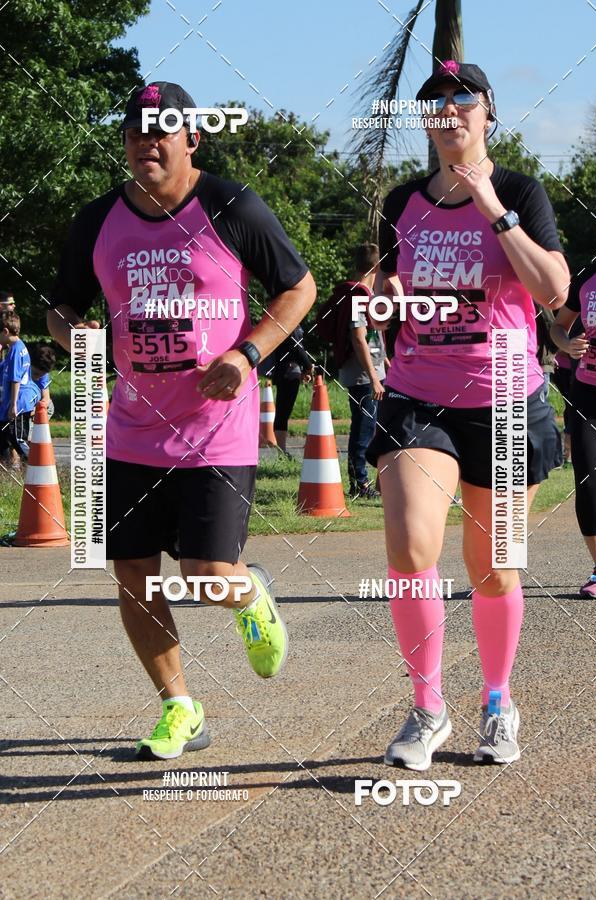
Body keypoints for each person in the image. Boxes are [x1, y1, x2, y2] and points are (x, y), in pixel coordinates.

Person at [47, 81, 316, 760]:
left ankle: (249, 594)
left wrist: (248, 352)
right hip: (131, 429)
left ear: (192, 139)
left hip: (215, 428)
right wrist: (75, 335)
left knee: (203, 573)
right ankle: (180, 709)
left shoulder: (232, 206)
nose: (147, 141)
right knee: (133, 574)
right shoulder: (97, 221)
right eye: (136, 130)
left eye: (161, 129)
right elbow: (62, 306)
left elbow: (299, 286)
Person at [367, 61, 569, 769]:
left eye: (463, 97)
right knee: (409, 547)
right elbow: (390, 284)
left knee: (493, 570)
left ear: (487, 111)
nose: (449, 109)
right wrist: (384, 297)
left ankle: (497, 701)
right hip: (419, 396)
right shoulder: (402, 201)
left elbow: (553, 290)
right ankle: (427, 708)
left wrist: (493, 208)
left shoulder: (520, 191)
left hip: (507, 398)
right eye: (435, 101)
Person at [550, 261, 596, 597]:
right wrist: (567, 345)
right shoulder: (587, 276)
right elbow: (558, 326)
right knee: (589, 480)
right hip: (588, 393)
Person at [337, 243, 389, 498]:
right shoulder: (358, 296)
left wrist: (385, 361)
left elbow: (371, 336)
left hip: (373, 371)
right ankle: (359, 484)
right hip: (363, 375)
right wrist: (373, 377)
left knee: (371, 426)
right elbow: (358, 338)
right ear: (377, 267)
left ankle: (365, 481)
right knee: (363, 428)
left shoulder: (366, 294)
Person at [268, 325, 313, 454]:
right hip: (289, 371)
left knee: (283, 411)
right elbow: (297, 347)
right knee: (283, 411)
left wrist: (304, 368)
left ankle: (281, 450)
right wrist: (308, 366)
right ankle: (281, 450)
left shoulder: (287, 324)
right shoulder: (291, 324)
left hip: (286, 370)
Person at [0, 310, 32, 467]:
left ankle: (37, 466)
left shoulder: (15, 351)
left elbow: (15, 379)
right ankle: (6, 471)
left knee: (17, 439)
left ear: (5, 332)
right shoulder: (16, 348)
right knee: (3, 438)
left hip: (17, 404)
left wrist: (13, 405)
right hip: (9, 403)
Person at [551, 315, 583, 465]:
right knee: (573, 410)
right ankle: (567, 454)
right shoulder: (570, 307)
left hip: (581, 368)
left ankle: (567, 453)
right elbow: (555, 330)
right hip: (564, 366)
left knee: (573, 410)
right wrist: (567, 346)